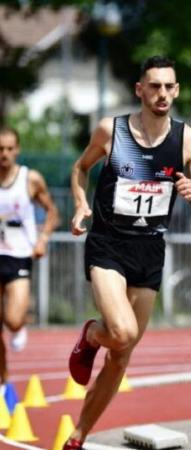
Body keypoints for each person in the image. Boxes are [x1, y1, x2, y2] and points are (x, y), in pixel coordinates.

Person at [63, 56, 191, 450]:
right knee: (123, 332)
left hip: (150, 250)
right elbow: (80, 169)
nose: (162, 94)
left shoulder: (188, 140)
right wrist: (81, 205)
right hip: (109, 245)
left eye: (169, 87)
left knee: (122, 356)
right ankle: (91, 334)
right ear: (140, 90)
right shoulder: (111, 131)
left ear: (176, 90)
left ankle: (79, 434)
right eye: (154, 86)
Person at [0, 126, 58, 386]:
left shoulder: (29, 179)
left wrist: (42, 239)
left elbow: (52, 211)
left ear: (17, 150)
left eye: (10, 149)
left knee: (12, 320)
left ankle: (18, 326)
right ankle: (3, 382)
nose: (4, 154)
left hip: (19, 255)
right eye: (0, 149)